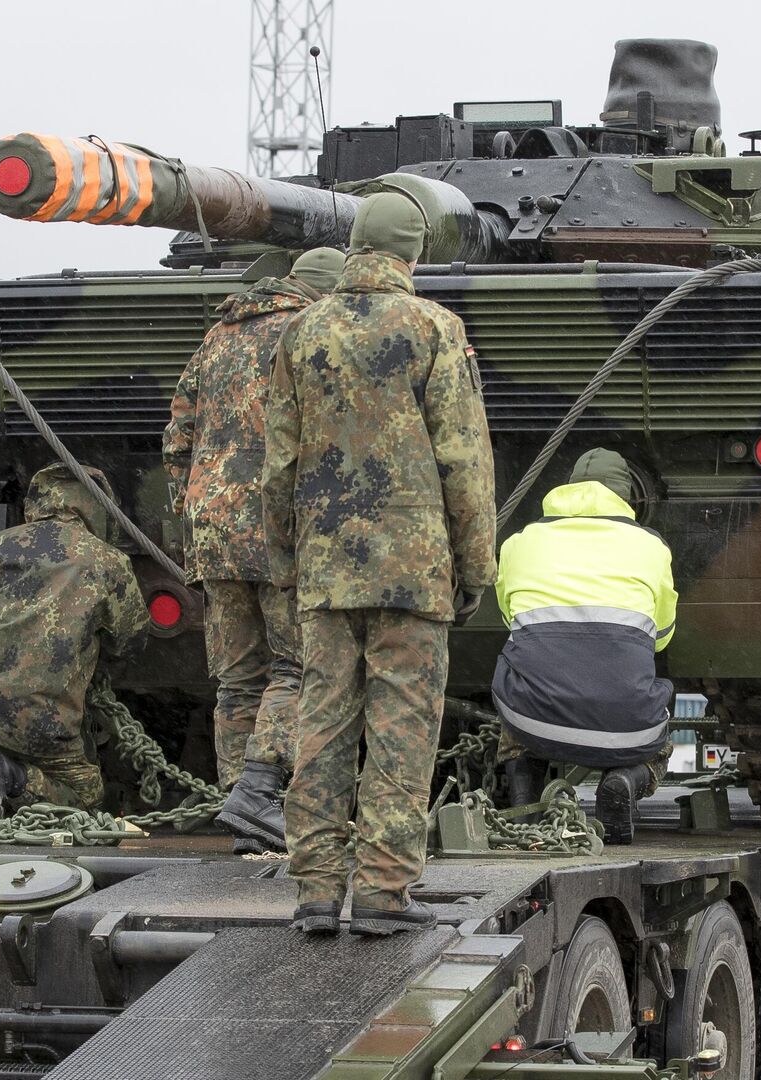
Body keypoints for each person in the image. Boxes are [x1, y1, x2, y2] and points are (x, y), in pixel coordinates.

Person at [263, 191, 497, 937]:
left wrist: (286, 558)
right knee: (401, 724)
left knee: (323, 723)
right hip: (411, 567)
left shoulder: (303, 333)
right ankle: (382, 890)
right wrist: (476, 566)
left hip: (327, 567)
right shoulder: (434, 328)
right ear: (414, 254)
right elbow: (463, 460)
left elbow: (277, 463)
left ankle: (315, 889)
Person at [162, 247, 345, 853]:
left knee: (239, 681)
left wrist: (195, 507)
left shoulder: (220, 335)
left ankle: (242, 817)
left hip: (212, 524)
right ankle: (263, 796)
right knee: (298, 667)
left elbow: (177, 435)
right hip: (279, 526)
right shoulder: (312, 333)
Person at [0, 464, 150, 817]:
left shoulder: (2, 544)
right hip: (42, 710)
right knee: (85, 794)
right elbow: (131, 639)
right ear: (97, 507)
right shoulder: (108, 560)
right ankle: (14, 778)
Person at [491, 447, 677, 844]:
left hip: (531, 720)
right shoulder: (652, 547)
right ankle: (626, 779)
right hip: (627, 728)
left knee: (522, 668)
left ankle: (524, 800)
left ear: (568, 487)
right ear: (625, 497)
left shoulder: (518, 542)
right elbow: (662, 636)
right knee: (659, 731)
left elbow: (511, 620)